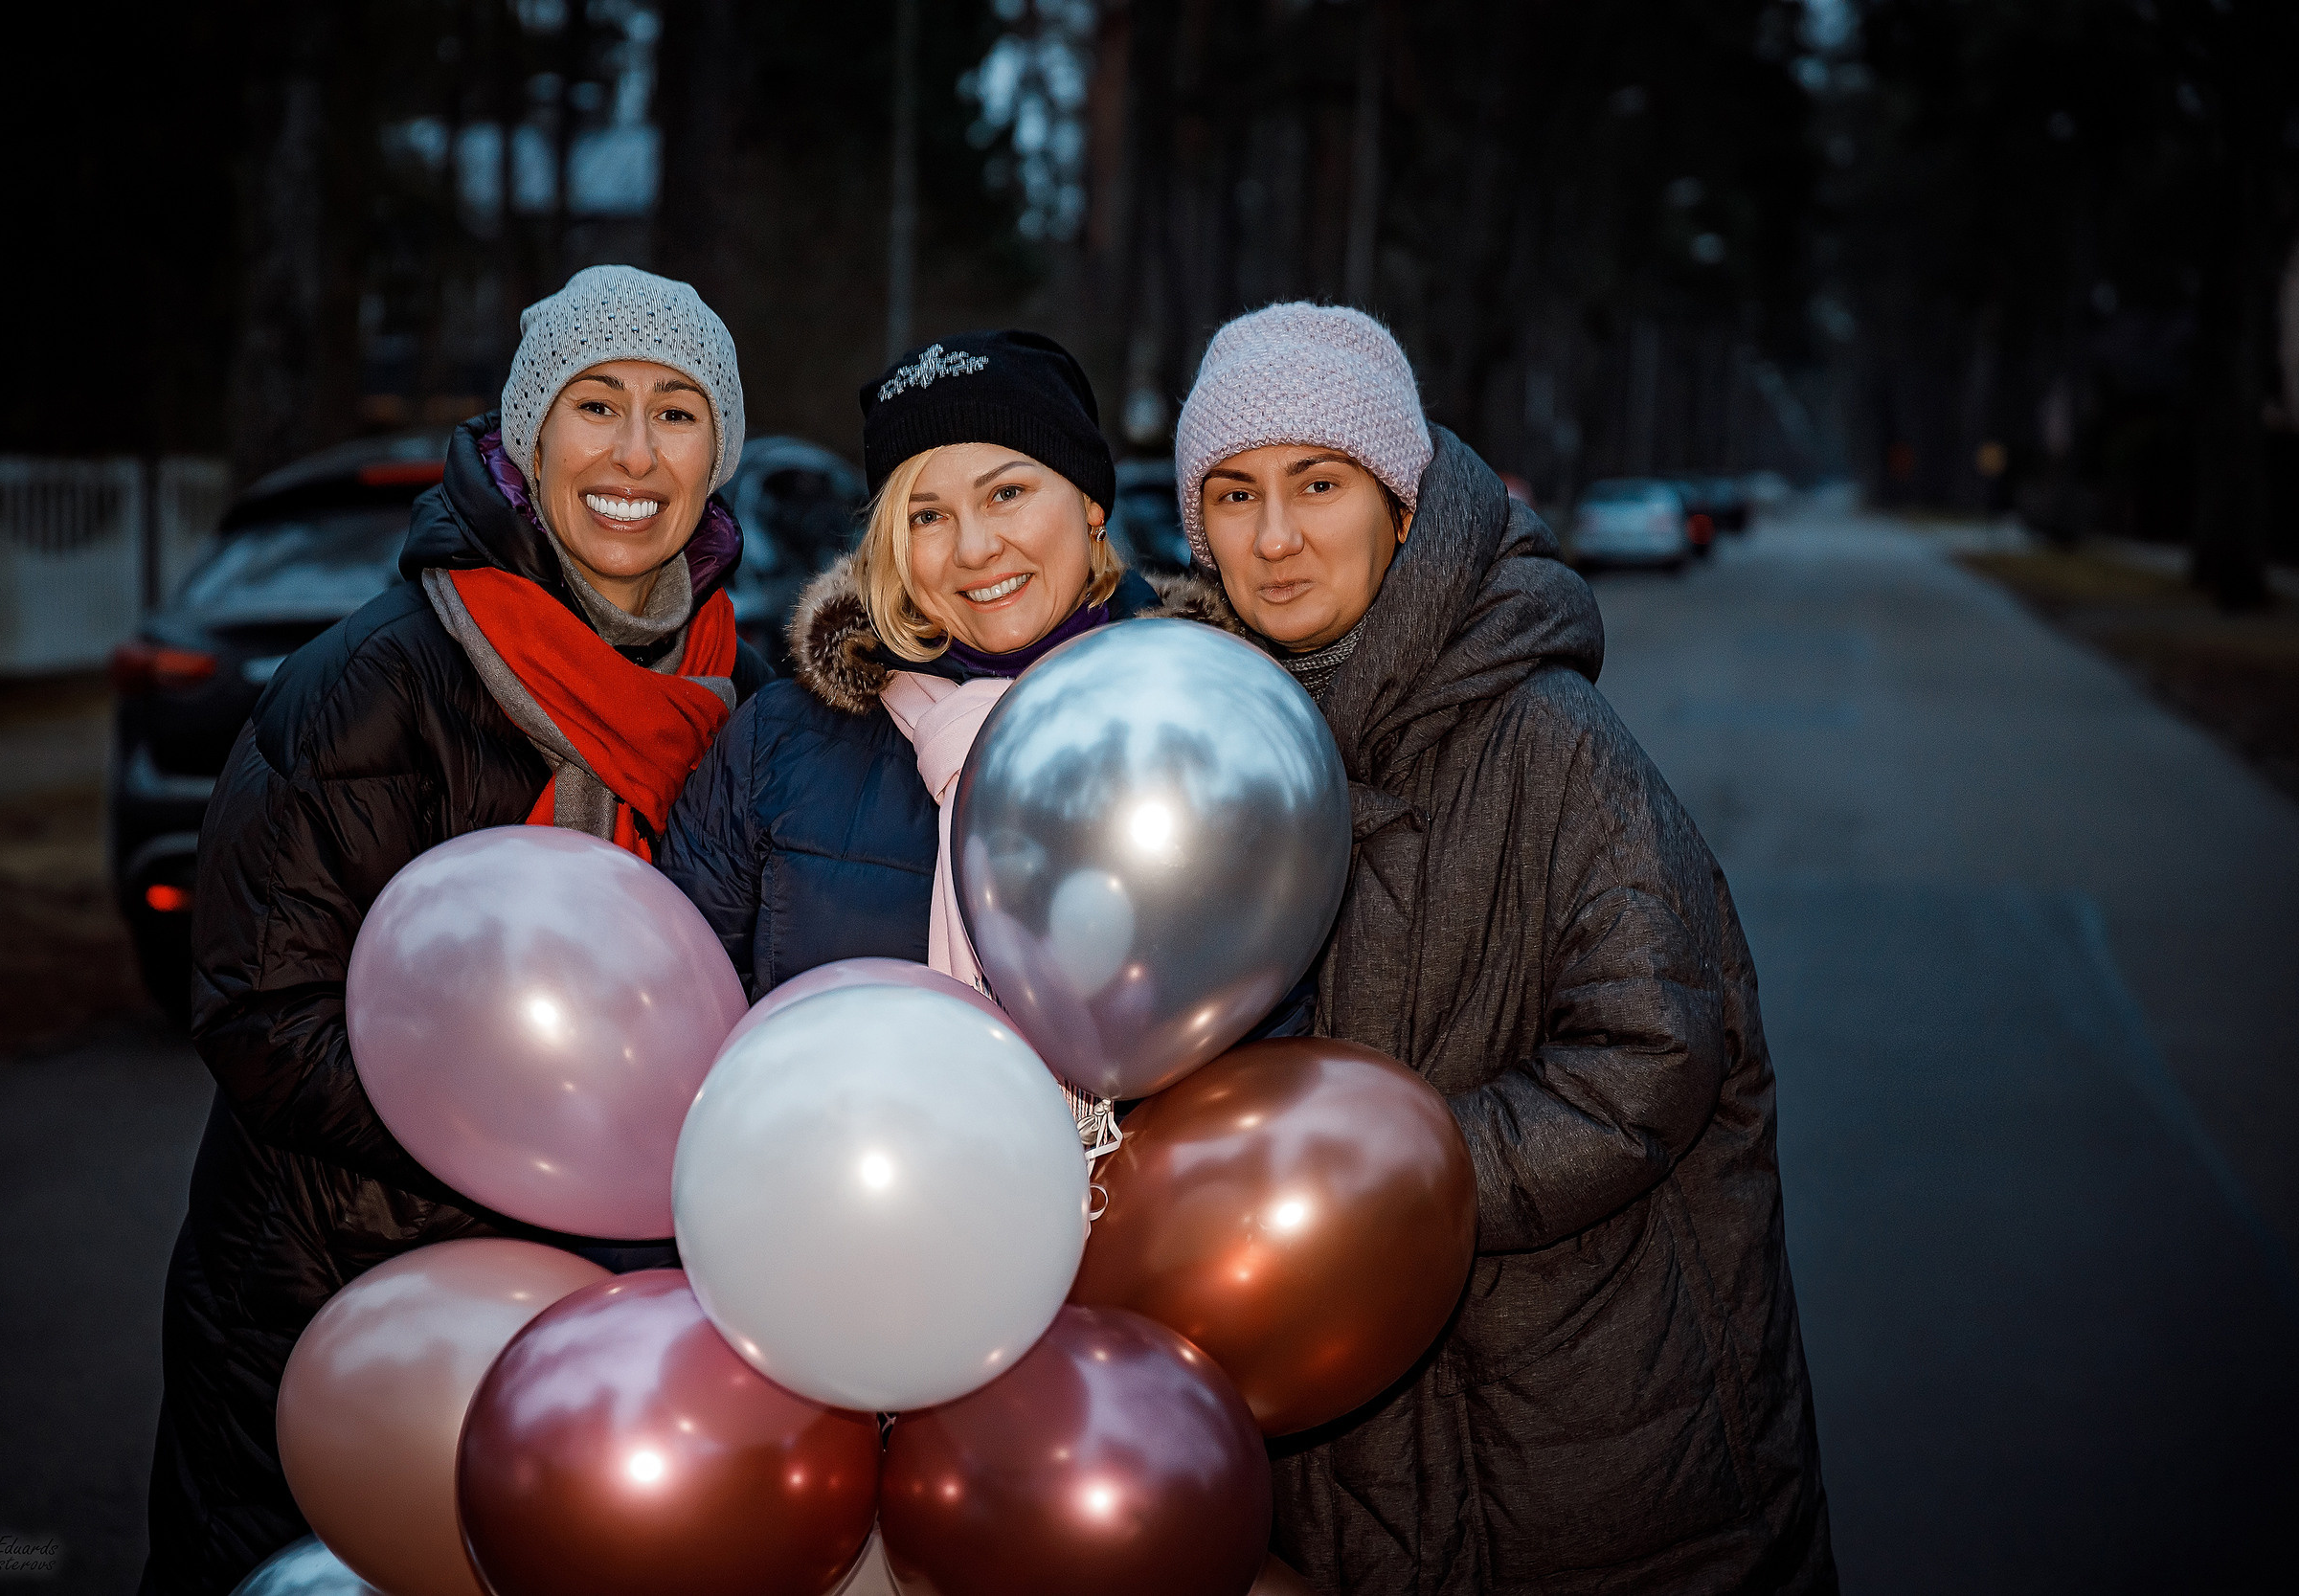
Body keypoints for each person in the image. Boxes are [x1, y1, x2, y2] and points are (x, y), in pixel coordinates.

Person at [1168, 303, 1837, 1593]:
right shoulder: (1208, 750)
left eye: (1320, 483)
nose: (1276, 535)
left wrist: (1393, 1182)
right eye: (1235, 494)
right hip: (1341, 1447)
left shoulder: (1552, 739)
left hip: (1589, 1441)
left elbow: (1655, 1046)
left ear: (1402, 506)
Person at [140, 265, 771, 1596]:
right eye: (596, 404)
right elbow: (262, 1008)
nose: (635, 453)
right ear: (529, 433)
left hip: (631, 1315)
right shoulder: (373, 680)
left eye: (679, 413)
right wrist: (522, 1143)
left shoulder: (742, 697)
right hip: (349, 1300)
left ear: (721, 456)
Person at [659, 329, 1222, 1022]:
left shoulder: (1203, 730)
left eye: (1007, 493)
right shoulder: (776, 744)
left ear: (1091, 507)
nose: (976, 548)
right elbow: (670, 1009)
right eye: (928, 515)